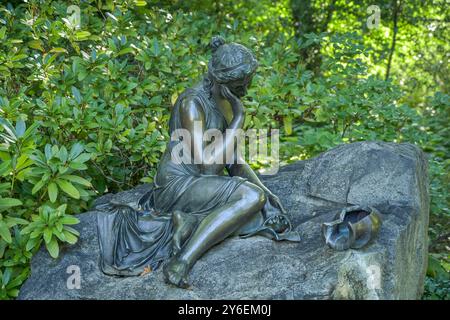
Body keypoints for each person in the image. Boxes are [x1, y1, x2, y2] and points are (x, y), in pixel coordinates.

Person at [97, 36, 299, 288]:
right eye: (239, 86)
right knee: (249, 199)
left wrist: (268, 195)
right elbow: (208, 166)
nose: (244, 92)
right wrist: (238, 120)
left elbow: (233, 161)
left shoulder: (223, 102)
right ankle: (182, 260)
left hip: (200, 182)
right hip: (177, 184)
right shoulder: (191, 103)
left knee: (257, 199)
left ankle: (190, 221)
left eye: (247, 84)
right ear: (220, 81)